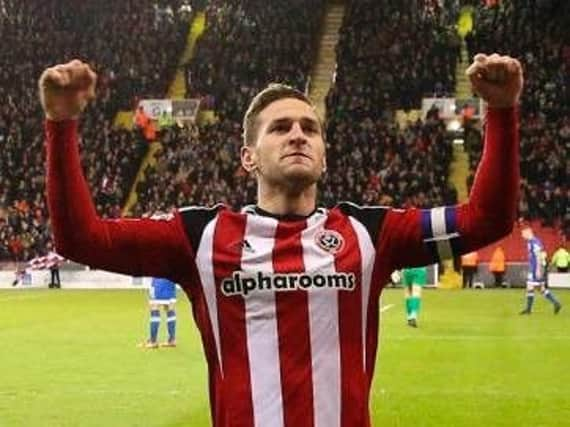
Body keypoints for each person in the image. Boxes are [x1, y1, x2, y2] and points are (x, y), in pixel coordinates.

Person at [40, 54, 522, 426]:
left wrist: (501, 112)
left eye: (309, 128)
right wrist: (61, 123)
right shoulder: (199, 237)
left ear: (324, 155)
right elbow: (80, 239)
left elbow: (488, 218)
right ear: (249, 157)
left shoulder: (371, 233)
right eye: (280, 128)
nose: (298, 135)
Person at [519, 225, 562, 315]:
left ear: (528, 232)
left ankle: (528, 309)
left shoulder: (534, 242)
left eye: (523, 233)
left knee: (530, 287)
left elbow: (539, 255)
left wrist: (538, 269)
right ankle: (556, 303)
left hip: (535, 268)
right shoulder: (531, 242)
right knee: (540, 288)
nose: (522, 236)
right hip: (534, 267)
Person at [140, 277, 178, 348]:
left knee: (154, 307)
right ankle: (172, 340)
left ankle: (153, 341)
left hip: (159, 281)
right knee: (170, 308)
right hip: (170, 282)